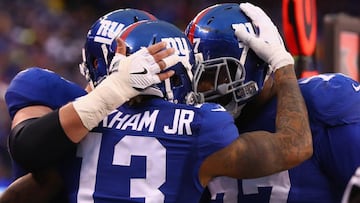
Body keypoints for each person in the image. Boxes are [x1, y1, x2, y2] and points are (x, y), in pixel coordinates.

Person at [2, 5, 312, 203]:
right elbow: (294, 146)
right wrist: (283, 65)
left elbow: (25, 187)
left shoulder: (77, 127)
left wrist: (106, 97)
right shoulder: (203, 126)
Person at [185, 3, 360, 203]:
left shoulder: (324, 101)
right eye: (196, 78)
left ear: (258, 62)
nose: (203, 89)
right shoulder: (195, 125)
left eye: (216, 76)